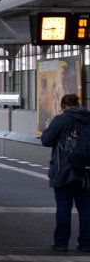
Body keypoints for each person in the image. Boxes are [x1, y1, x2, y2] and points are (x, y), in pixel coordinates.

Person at [39, 93, 90, 252]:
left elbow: (46, 140)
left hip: (65, 169)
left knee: (63, 206)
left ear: (63, 106)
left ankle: (61, 242)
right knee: (86, 207)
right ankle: (86, 243)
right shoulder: (88, 119)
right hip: (87, 170)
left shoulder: (61, 119)